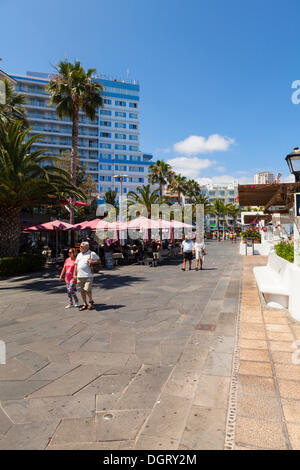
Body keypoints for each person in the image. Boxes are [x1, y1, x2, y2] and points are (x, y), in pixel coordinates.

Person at [73, 241, 100, 311]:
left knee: (87, 289)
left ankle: (90, 301)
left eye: (81, 247)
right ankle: (85, 304)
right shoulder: (79, 254)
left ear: (86, 247)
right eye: (80, 246)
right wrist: (74, 274)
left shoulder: (92, 253)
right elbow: (76, 265)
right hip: (80, 275)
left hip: (88, 275)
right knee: (82, 290)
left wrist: (93, 262)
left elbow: (99, 261)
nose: (80, 248)